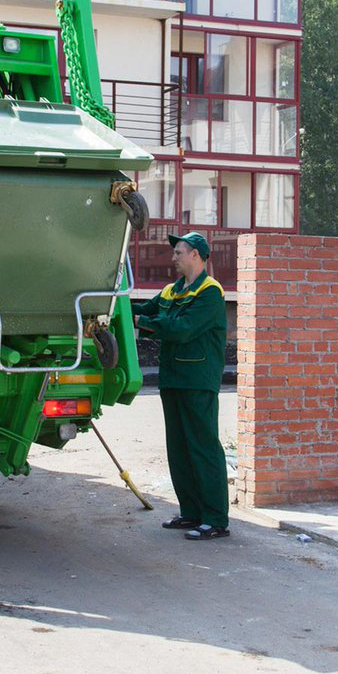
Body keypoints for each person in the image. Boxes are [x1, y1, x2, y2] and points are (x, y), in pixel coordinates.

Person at [132, 232, 230, 541]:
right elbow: (146, 311)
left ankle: (215, 519)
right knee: (179, 449)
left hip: (198, 381)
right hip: (173, 379)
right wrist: (121, 309)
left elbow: (182, 329)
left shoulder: (210, 293)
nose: (173, 258)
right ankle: (191, 513)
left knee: (203, 448)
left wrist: (141, 323)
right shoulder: (172, 291)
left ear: (197, 256)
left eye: (179, 252)